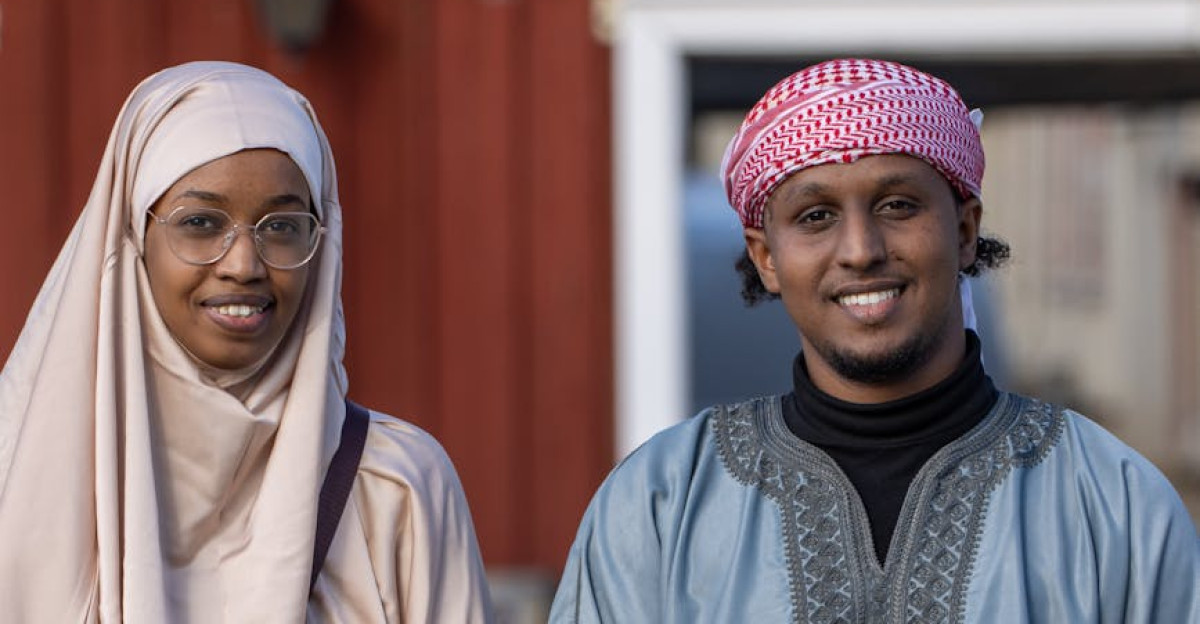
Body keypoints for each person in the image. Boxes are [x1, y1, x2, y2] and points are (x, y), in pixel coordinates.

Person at [550, 59, 1199, 622]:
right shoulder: (664, 501)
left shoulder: (1110, 502)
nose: (861, 251)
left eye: (898, 206)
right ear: (766, 258)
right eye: (816, 217)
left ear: (966, 229)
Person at [0, 61, 494, 622]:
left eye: (282, 227)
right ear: (133, 237)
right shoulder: (20, 471)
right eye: (201, 223)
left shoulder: (394, 490)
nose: (243, 265)